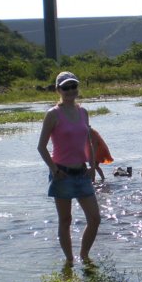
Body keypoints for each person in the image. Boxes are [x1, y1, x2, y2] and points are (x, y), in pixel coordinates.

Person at [37, 71, 101, 264]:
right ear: (58, 90)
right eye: (66, 87)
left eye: (73, 86)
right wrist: (54, 170)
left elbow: (88, 140)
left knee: (95, 219)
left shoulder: (83, 112)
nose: (70, 90)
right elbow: (41, 147)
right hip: (62, 175)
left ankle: (84, 256)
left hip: (82, 172)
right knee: (66, 220)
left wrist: (92, 165)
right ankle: (69, 261)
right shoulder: (53, 114)